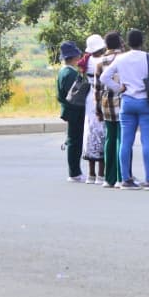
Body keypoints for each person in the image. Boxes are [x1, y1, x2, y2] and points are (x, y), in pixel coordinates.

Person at [99, 28, 149, 189]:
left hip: (127, 102)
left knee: (126, 142)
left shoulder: (121, 59)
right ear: (142, 42)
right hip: (146, 103)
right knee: (147, 141)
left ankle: (126, 179)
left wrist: (118, 88)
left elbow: (104, 77)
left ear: (127, 43)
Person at [93, 32, 124, 189]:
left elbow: (97, 89)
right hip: (122, 102)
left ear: (106, 45)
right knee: (122, 139)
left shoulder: (100, 63)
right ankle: (121, 176)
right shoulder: (124, 58)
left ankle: (108, 178)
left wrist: (97, 110)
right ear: (120, 43)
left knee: (110, 139)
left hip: (106, 104)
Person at [56, 40, 87, 183]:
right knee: (75, 142)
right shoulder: (70, 73)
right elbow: (74, 94)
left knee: (73, 140)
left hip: (69, 110)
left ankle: (75, 171)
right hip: (74, 110)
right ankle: (74, 172)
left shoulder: (64, 71)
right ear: (74, 57)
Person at [81, 34, 107, 183]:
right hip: (101, 96)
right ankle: (101, 174)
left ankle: (90, 174)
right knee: (102, 134)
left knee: (90, 133)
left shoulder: (87, 60)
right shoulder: (102, 61)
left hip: (90, 97)